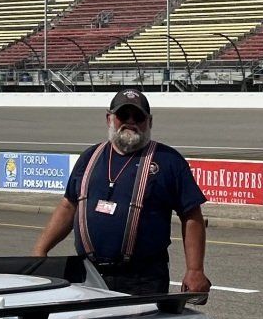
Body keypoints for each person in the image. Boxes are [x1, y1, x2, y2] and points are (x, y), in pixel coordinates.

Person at [33, 87, 211, 297]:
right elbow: (68, 206)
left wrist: (195, 270)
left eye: (138, 116)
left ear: (150, 122)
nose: (130, 121)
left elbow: (191, 215)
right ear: (109, 119)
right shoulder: (90, 158)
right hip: (90, 275)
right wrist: (39, 251)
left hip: (143, 280)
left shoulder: (169, 161)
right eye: (123, 115)